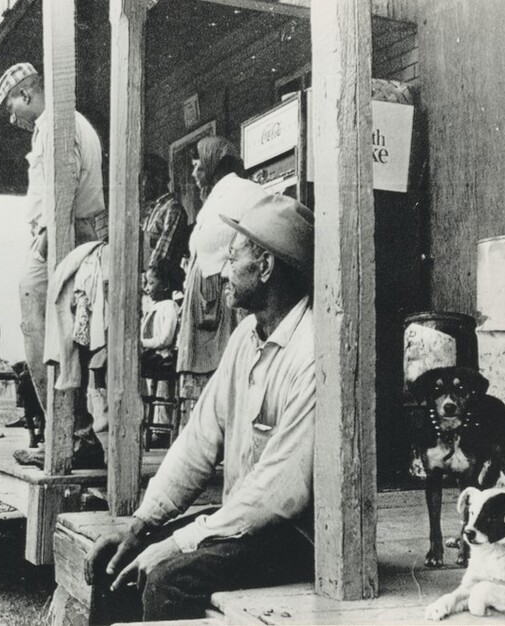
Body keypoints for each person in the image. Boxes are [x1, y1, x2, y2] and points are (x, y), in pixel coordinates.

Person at [85, 194, 317, 622]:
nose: (222, 272)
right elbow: (198, 440)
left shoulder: (313, 350)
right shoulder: (247, 335)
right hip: (243, 525)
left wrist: (178, 543)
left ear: (265, 267)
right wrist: (141, 524)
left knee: (165, 579)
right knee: (115, 560)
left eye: (233, 258)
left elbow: (279, 493)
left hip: (296, 537)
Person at [0, 61, 107, 468]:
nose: (12, 116)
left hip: (66, 232)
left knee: (40, 325)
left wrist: (45, 234)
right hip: (79, 229)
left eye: (11, 104)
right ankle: (77, 432)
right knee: (73, 334)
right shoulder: (68, 120)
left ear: (26, 93)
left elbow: (66, 176)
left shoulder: (54, 122)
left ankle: (66, 434)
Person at [176, 136, 267, 380]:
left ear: (212, 165)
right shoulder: (214, 198)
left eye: (199, 166)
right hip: (206, 296)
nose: (194, 173)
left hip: (225, 294)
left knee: (230, 366)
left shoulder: (244, 191)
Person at [141, 154, 191, 269]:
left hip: (160, 282)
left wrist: (148, 276)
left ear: (158, 179)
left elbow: (163, 254)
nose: (142, 185)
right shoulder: (154, 209)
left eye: (144, 179)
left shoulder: (173, 209)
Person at [140, 258, 184, 380]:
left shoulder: (170, 306)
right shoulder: (153, 306)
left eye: (151, 283)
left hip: (162, 358)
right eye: (146, 283)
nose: (147, 288)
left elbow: (166, 339)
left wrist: (141, 343)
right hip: (149, 354)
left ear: (165, 285)